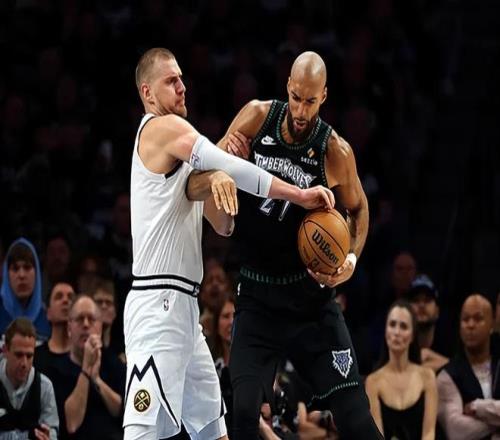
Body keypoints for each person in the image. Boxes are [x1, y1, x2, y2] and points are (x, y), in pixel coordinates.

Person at [123, 47, 334, 440]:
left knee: (214, 431)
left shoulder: (178, 156)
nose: (182, 87)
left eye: (182, 78)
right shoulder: (160, 127)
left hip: (185, 309)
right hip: (157, 305)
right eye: (171, 81)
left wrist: (219, 176)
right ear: (147, 92)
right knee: (143, 434)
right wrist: (299, 195)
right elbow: (227, 163)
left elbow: (223, 226)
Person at [214, 50, 381, 438]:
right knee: (243, 414)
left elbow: (359, 208)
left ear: (324, 97)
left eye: (310, 101)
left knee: (356, 417)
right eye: (296, 97)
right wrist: (228, 158)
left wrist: (351, 259)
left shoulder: (334, 150)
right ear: (287, 86)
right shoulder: (257, 117)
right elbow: (210, 165)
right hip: (257, 293)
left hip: (309, 300)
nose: (302, 110)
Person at [51, 294, 125, 439]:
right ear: (69, 327)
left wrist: (97, 380)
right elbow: (71, 424)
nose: (85, 324)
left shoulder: (114, 364)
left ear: (100, 327)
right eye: (79, 319)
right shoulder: (56, 370)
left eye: (91, 319)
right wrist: (86, 370)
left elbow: (121, 411)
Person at [365, 300, 437, 440]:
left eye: (403, 326)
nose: (396, 332)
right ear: (385, 331)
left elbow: (429, 433)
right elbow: (377, 436)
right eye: (392, 325)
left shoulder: (427, 377)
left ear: (412, 336)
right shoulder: (373, 382)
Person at [437, 294, 500, 439]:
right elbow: (457, 431)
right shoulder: (447, 376)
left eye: (478, 319)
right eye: (465, 319)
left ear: (492, 324)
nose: (470, 325)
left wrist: (479, 408)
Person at [0, 317, 59, 439]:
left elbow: (52, 430)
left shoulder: (44, 386)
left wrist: (48, 436)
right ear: (5, 350)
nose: (24, 363)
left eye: (29, 356)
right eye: (19, 355)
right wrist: (28, 436)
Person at [0, 238, 51, 343]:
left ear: (37, 273)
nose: (21, 275)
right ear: (6, 274)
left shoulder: (48, 318)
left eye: (27, 267)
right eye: (15, 268)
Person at [407, 274, 449, 372]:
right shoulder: (400, 342)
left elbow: (463, 370)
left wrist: (435, 358)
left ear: (437, 311)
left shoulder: (450, 342)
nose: (421, 305)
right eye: (416, 300)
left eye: (427, 300)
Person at [35, 281, 75, 374]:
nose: (65, 301)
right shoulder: (35, 357)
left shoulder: (85, 356)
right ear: (48, 313)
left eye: (70, 298)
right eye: (59, 297)